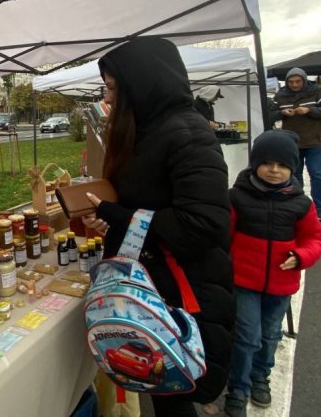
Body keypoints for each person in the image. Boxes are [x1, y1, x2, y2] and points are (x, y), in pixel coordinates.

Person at [82, 37, 234, 417]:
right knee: (163, 393)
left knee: (174, 394)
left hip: (179, 291)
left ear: (141, 84)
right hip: (155, 285)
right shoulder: (148, 131)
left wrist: (119, 216)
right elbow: (146, 201)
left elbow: (204, 224)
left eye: (114, 88)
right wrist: (110, 218)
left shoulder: (188, 133)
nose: (109, 98)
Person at [223, 130, 321, 417]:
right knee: (247, 336)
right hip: (243, 282)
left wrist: (301, 256)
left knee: (270, 336)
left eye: (282, 165)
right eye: (267, 163)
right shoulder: (236, 197)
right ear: (255, 163)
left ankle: (260, 378)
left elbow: (315, 239)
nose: (274, 170)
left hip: (281, 285)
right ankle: (238, 388)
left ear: (292, 168)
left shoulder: (302, 204)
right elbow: (223, 237)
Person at [270, 67, 321, 221]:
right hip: (292, 142)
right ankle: (299, 208)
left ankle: (320, 210)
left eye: (298, 81)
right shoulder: (280, 95)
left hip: (316, 141)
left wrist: (310, 110)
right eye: (291, 82)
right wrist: (282, 113)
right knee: (294, 175)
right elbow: (269, 114)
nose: (294, 84)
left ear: (304, 79)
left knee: (316, 174)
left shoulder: (318, 90)